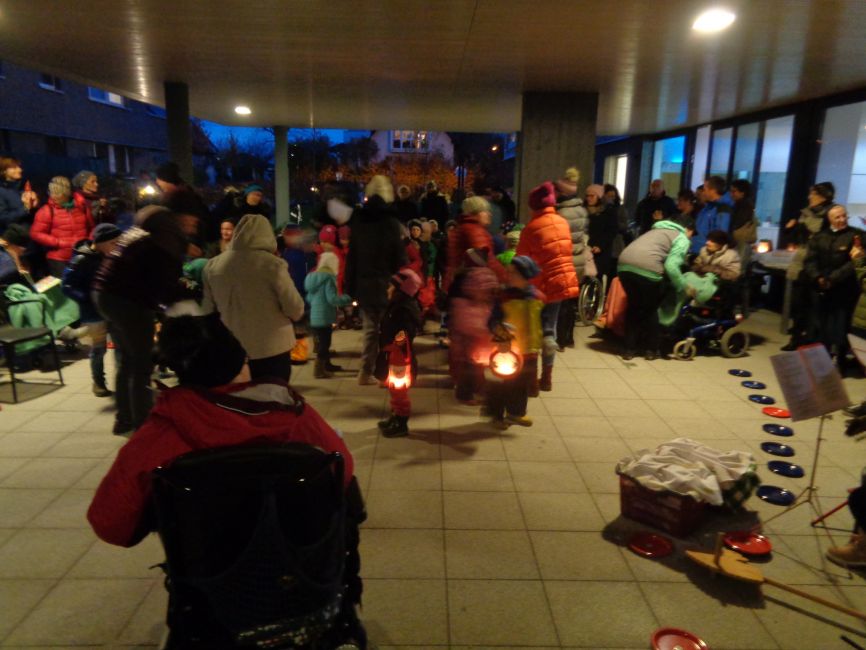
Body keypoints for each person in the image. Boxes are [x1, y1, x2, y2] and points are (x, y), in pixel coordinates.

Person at [86, 313, 356, 546]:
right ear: (238, 370)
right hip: (298, 564)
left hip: (208, 575)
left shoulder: (159, 435)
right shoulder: (292, 415)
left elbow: (110, 524)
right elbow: (342, 473)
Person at [93, 206, 189, 434]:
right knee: (142, 364)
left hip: (104, 295)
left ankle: (124, 419)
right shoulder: (161, 243)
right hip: (129, 302)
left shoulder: (136, 235)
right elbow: (165, 284)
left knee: (128, 361)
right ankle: (144, 427)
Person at [202, 214, 305, 384]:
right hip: (272, 348)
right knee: (272, 395)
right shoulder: (273, 264)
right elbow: (294, 307)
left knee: (237, 397)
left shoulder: (212, 266)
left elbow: (207, 310)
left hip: (231, 348)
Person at [344, 175, 407, 385]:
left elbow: (352, 257)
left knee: (370, 328)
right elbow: (400, 258)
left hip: (364, 283)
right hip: (385, 283)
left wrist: (350, 287)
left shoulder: (359, 222)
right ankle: (383, 372)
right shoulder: (391, 222)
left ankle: (366, 371)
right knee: (386, 328)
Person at [516, 182, 579, 391]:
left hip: (539, 287)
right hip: (560, 283)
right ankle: (547, 379)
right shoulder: (562, 223)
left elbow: (521, 260)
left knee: (533, 332)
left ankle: (532, 382)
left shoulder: (531, 228)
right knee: (550, 328)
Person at [617, 218, 694, 360]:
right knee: (651, 310)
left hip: (623, 266)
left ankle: (628, 349)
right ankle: (651, 350)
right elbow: (671, 266)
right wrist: (683, 286)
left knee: (634, 307)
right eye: (692, 234)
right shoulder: (682, 237)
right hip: (648, 269)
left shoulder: (656, 230)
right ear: (688, 230)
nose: (690, 238)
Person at [62, 223, 122, 397]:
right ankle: (98, 382)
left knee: (120, 347)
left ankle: (123, 382)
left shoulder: (113, 256)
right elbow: (67, 286)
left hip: (113, 309)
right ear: (100, 243)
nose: (117, 246)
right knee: (99, 349)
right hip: (93, 312)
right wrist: (87, 299)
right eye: (113, 242)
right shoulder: (81, 260)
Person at [487, 256, 543, 428]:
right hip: (507, 350)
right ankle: (497, 415)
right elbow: (493, 320)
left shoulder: (537, 297)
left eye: (513, 273)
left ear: (525, 276)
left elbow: (544, 320)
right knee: (502, 384)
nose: (508, 276)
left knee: (521, 384)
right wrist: (501, 332)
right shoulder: (504, 296)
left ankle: (516, 413)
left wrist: (548, 336)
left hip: (530, 349)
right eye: (508, 272)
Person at [802, 204, 862, 364]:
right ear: (829, 219)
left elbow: (854, 262)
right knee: (821, 324)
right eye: (837, 217)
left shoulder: (856, 236)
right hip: (821, 288)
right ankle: (823, 359)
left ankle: (841, 359)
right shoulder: (819, 236)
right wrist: (818, 277)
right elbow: (810, 260)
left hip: (845, 288)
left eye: (844, 216)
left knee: (842, 326)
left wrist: (832, 279)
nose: (842, 219)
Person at [782, 182, 835, 350]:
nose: (809, 197)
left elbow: (827, 239)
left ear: (823, 196)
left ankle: (813, 341)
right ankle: (796, 338)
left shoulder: (831, 214)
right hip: (801, 261)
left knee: (816, 306)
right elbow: (798, 237)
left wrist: (807, 230)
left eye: (813, 194)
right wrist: (792, 229)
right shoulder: (805, 212)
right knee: (799, 304)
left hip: (819, 265)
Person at [375, 269, 424, 437]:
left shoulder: (402, 309)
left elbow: (402, 335)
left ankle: (401, 423)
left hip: (399, 358)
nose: (388, 289)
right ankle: (395, 416)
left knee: (399, 390)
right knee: (393, 389)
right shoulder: (397, 305)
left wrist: (396, 355)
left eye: (392, 286)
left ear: (401, 290)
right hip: (393, 354)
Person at [449, 248, 500, 404]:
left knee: (467, 359)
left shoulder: (460, 276)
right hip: (480, 322)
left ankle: (466, 389)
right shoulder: (487, 275)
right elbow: (494, 295)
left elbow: (452, 296)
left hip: (462, 320)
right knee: (476, 361)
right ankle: (470, 392)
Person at [30, 176, 95, 278]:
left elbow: (92, 227)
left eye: (58, 194)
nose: (54, 197)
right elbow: (35, 233)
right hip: (59, 259)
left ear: (66, 193)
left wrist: (89, 243)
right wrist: (57, 242)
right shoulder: (47, 210)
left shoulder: (81, 206)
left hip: (83, 255)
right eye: (52, 193)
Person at [554, 168, 588, 350]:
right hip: (579, 259)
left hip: (565, 260)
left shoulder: (561, 213)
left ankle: (560, 339)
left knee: (561, 302)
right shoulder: (581, 210)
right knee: (571, 301)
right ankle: (569, 338)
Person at [305, 251, 352, 378]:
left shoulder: (312, 278)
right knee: (325, 344)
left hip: (315, 316)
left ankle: (327, 365)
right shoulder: (328, 278)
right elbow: (332, 299)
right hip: (324, 316)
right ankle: (319, 370)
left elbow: (309, 298)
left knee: (322, 343)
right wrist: (348, 298)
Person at [444, 196, 505, 291]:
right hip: (472, 287)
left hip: (458, 284)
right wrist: (505, 279)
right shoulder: (474, 231)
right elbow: (485, 258)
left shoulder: (462, 228)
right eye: (486, 211)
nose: (489, 214)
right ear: (478, 213)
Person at [155, 161, 211, 240]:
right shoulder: (184, 190)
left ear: (165, 179)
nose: (157, 182)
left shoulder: (177, 195)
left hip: (186, 239)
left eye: (158, 178)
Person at [585, 183, 619, 281]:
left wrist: (600, 245)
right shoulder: (584, 211)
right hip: (586, 248)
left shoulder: (608, 212)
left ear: (599, 197)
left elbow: (611, 231)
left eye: (592, 196)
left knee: (597, 276)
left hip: (600, 250)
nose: (589, 198)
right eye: (587, 196)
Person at [692, 176, 732, 254]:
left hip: (707, 253)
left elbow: (720, 236)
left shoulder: (722, 209)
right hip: (698, 250)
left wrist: (710, 252)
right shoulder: (708, 207)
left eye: (705, 189)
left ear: (713, 190)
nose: (703, 193)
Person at [0, 157, 37, 230]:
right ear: (4, 171)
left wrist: (35, 204)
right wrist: (25, 209)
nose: (20, 170)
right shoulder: (1, 191)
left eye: (19, 167)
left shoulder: (24, 188)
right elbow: (3, 219)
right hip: (14, 234)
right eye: (14, 167)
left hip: (32, 232)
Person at [729, 179, 758, 266]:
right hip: (742, 242)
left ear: (742, 193)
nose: (731, 194)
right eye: (731, 191)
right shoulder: (744, 204)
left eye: (734, 191)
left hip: (740, 242)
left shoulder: (744, 206)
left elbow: (739, 222)